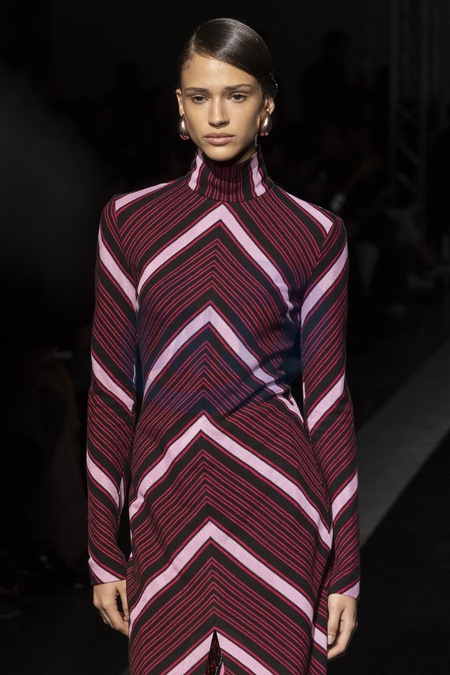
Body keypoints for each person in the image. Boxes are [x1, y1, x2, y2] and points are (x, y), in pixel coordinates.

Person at [87, 18, 359, 675]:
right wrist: (101, 549)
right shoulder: (129, 223)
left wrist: (346, 567)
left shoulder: (314, 234)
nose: (217, 115)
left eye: (236, 95)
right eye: (200, 96)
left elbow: (327, 401)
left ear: (266, 107)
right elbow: (111, 389)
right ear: (179, 108)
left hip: (276, 507)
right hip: (165, 505)